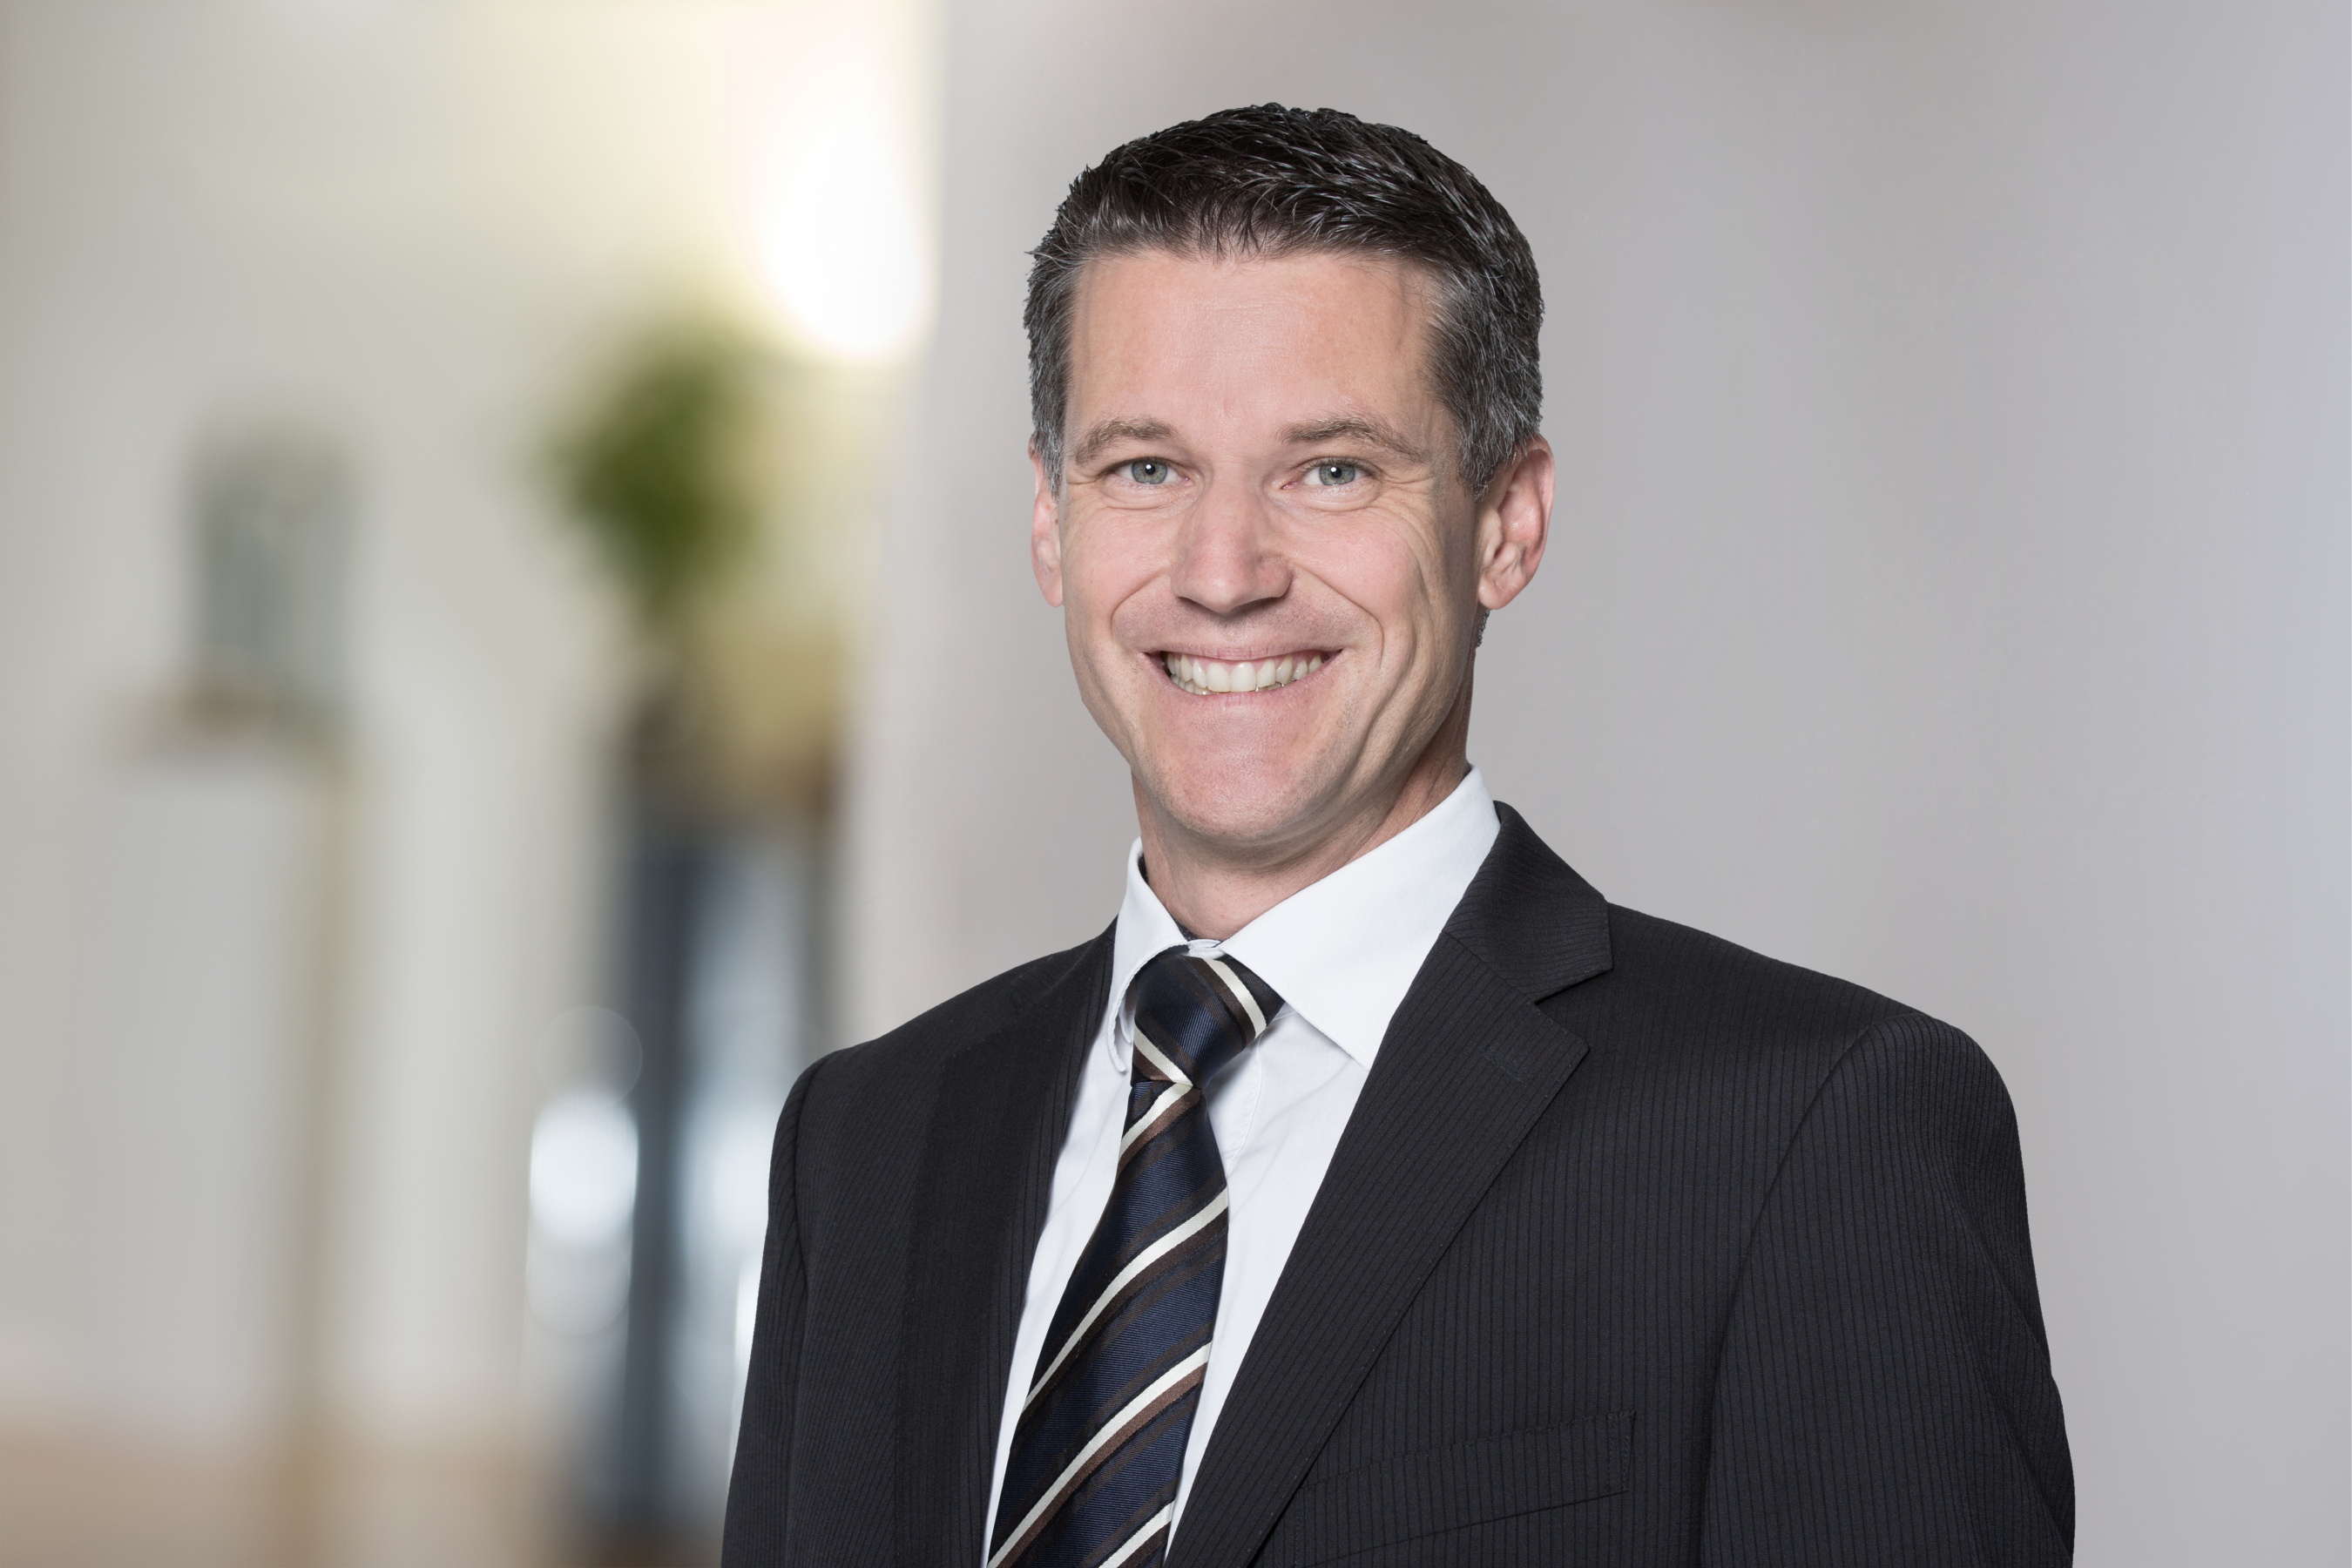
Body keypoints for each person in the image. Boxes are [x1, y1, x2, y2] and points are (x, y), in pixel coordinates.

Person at [721, 105, 2072, 1568]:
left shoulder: (1808, 1138)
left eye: (1333, 470)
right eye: (1147, 469)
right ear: (1051, 520)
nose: (1223, 574)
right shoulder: (864, 1145)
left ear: (1506, 523)